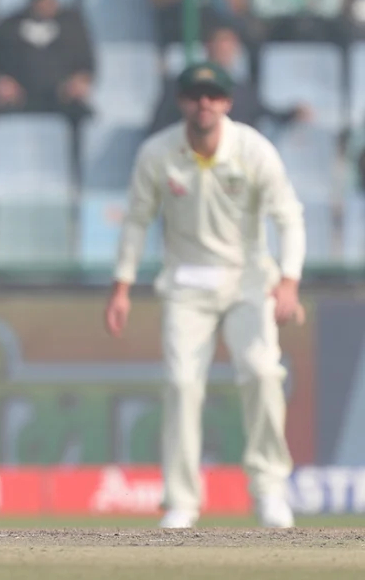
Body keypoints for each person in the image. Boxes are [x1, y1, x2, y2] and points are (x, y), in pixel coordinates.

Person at [103, 61, 305, 531]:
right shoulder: (158, 153)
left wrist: (289, 280)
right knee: (180, 383)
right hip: (186, 285)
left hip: (248, 280)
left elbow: (289, 217)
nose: (205, 104)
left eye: (214, 95)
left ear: (227, 103)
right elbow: (135, 220)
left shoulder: (253, 150)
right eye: (196, 95)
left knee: (260, 372)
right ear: (182, 102)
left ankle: (270, 490)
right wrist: (121, 287)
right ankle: (181, 501)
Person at [146, 13, 311, 134]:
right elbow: (159, 129)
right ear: (208, 46)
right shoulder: (180, 87)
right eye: (220, 43)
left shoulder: (243, 91)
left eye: (230, 44)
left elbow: (267, 113)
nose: (225, 49)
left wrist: (293, 113)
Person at [0, 0, 94, 120]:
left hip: (62, 103)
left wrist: (78, 84)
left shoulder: (73, 23)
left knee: (86, 116)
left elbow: (86, 68)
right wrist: (1, 83)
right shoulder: (9, 25)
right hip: (19, 104)